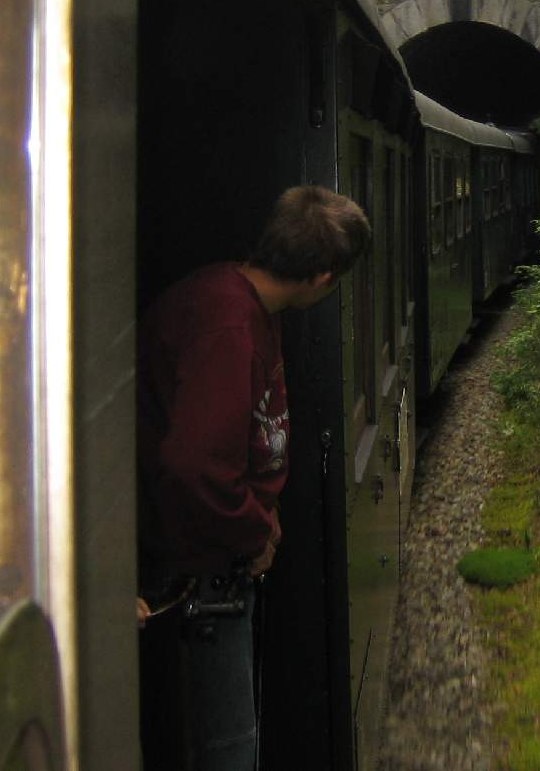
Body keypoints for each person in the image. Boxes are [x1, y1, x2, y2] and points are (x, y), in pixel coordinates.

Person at [137, 184, 370, 771]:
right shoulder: (229, 328)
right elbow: (194, 468)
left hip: (218, 554)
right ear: (322, 278)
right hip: (201, 569)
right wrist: (253, 534)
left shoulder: (239, 302)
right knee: (226, 747)